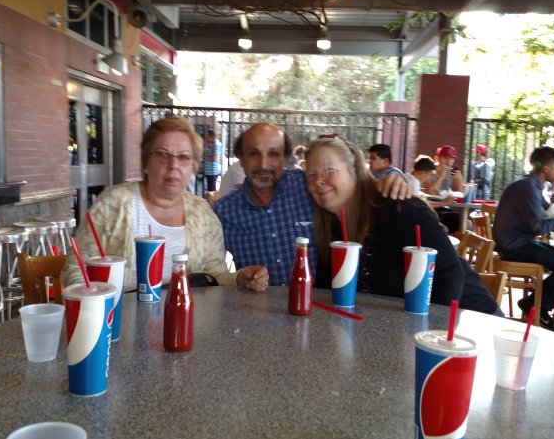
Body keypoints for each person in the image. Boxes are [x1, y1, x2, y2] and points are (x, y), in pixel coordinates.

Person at [64, 117, 268, 292]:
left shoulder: (203, 214)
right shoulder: (112, 204)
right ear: (146, 161)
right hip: (118, 320)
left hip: (186, 318)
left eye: (184, 157)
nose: (173, 165)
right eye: (162, 154)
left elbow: (216, 276)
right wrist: (96, 303)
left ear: (193, 167)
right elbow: (76, 268)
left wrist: (240, 279)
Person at [305, 136, 501, 315]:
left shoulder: (395, 207)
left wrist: (426, 333)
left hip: (471, 320)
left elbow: (449, 273)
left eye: (329, 170)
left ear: (355, 170)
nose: (319, 181)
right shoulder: (330, 229)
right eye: (311, 174)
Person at [214, 125, 410, 286]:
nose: (263, 163)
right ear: (241, 160)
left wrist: (383, 184)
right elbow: (214, 273)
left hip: (321, 310)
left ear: (285, 158)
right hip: (259, 314)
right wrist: (239, 278)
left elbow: (350, 188)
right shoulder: (223, 212)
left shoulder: (311, 187)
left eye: (273, 153)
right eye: (253, 153)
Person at [493, 146, 554, 332]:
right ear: (545, 168)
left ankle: (533, 304)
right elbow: (538, 227)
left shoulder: (532, 185)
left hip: (521, 241)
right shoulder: (528, 187)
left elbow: (548, 210)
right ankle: (537, 308)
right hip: (513, 246)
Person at [426, 145, 464, 233]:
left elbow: (459, 195)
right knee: (453, 220)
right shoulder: (430, 171)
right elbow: (430, 191)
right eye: (445, 158)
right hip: (431, 207)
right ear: (439, 158)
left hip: (445, 207)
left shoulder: (452, 174)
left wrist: (459, 180)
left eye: (451, 159)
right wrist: (442, 176)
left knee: (465, 223)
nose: (448, 162)